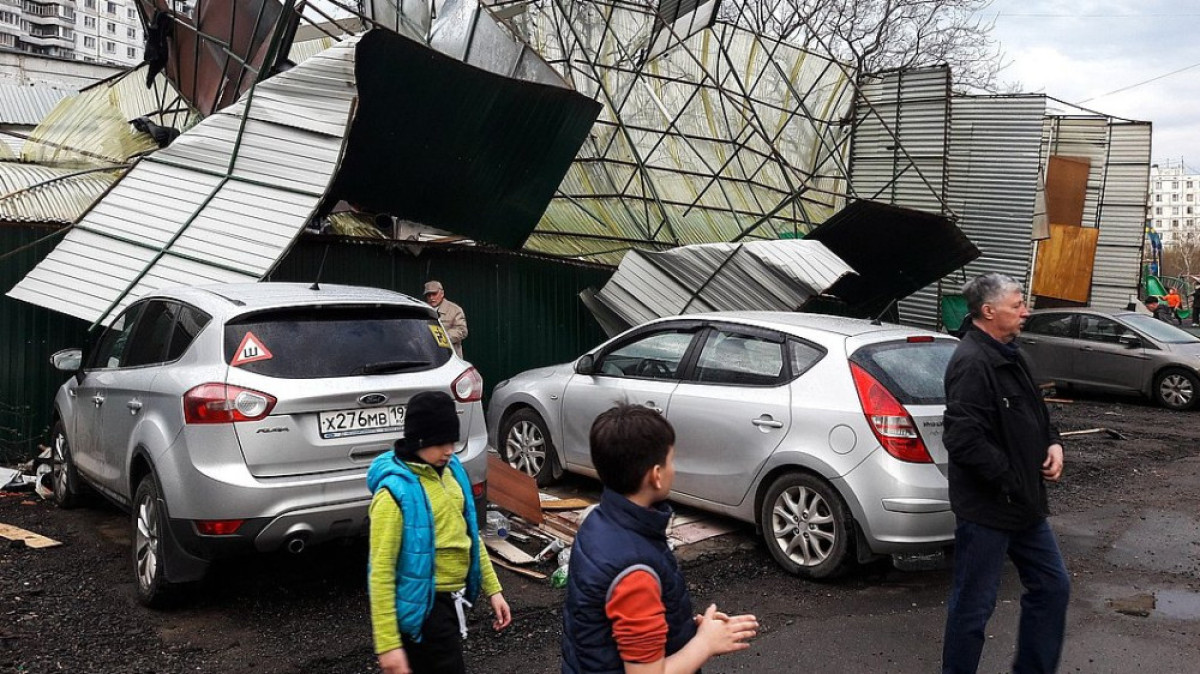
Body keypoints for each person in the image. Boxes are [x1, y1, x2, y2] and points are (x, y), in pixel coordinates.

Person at [562, 404, 758, 674]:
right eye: (671, 461)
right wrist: (705, 644)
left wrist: (690, 631)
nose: (673, 469)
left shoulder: (598, 520)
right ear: (656, 476)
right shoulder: (635, 570)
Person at [942, 273, 1070, 674]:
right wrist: (1011, 480)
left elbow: (1037, 412)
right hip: (988, 508)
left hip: (1024, 506)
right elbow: (963, 440)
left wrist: (1053, 442)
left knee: (1052, 587)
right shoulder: (971, 362)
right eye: (1017, 305)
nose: (1025, 311)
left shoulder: (1013, 355)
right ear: (988, 311)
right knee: (974, 606)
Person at [367, 391, 511, 674]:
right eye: (441, 443)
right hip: (424, 610)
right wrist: (388, 645)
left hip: (452, 603)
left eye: (452, 442)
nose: (449, 450)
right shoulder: (394, 494)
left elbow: (470, 537)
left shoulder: (452, 473)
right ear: (419, 440)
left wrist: (493, 590)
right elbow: (381, 571)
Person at [423, 280, 467, 358]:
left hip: (450, 357)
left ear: (442, 293)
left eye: (434, 294)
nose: (431, 298)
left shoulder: (455, 310)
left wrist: (441, 337)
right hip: (429, 356)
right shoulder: (422, 309)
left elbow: (462, 331)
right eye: (428, 295)